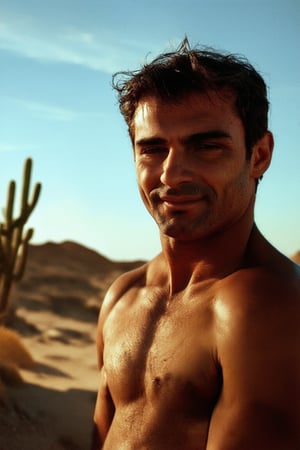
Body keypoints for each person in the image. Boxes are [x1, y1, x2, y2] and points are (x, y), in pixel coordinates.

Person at [92, 38, 300, 449]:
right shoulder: (123, 295)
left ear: (258, 155)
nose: (170, 173)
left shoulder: (264, 307)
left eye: (206, 146)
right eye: (152, 148)